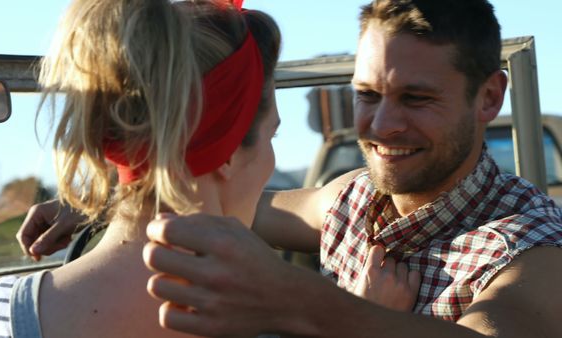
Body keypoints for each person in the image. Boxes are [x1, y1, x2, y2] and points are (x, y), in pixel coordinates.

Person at [0, 1, 418, 338]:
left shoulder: (0, 312)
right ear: (226, 151)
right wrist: (364, 320)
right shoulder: (259, 320)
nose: (271, 160)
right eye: (271, 136)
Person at [139, 0, 562, 336]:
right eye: (367, 95)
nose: (382, 126)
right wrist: (100, 202)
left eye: (416, 98)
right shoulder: (352, 198)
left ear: (489, 96)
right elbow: (230, 208)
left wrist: (302, 304)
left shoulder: (533, 244)